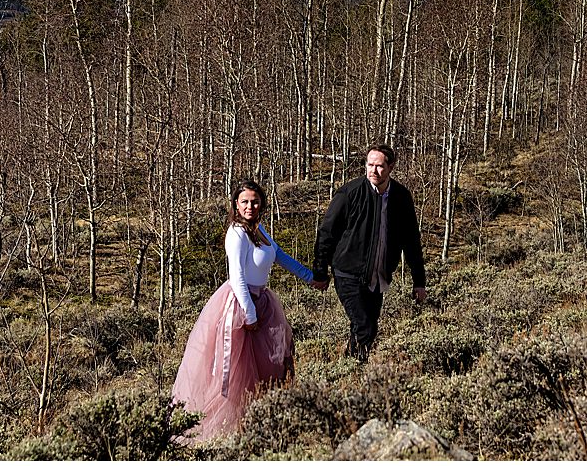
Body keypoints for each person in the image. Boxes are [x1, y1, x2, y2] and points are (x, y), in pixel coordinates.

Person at [171, 179, 314, 441]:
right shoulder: (236, 233)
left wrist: (310, 277)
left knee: (265, 367)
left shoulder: (259, 231)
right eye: (245, 202)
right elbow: (236, 276)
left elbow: (279, 256)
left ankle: (256, 423)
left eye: (255, 201)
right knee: (235, 371)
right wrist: (249, 314)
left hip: (262, 302)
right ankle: (220, 429)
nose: (250, 206)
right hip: (239, 306)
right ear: (236, 205)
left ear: (262, 204)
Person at [311, 143, 427, 360]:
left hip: (377, 277)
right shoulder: (349, 193)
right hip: (348, 273)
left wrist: (419, 282)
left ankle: (350, 369)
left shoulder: (401, 197)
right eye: (369, 165)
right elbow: (326, 232)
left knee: (368, 327)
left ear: (391, 167)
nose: (373, 170)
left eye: (379, 166)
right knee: (364, 325)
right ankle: (354, 368)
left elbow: (412, 241)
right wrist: (320, 271)